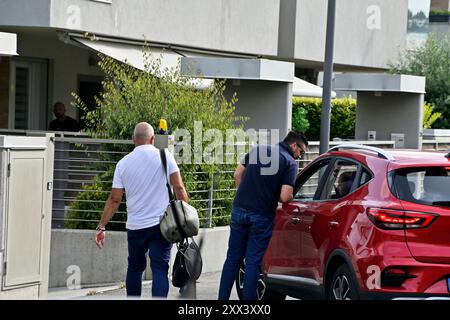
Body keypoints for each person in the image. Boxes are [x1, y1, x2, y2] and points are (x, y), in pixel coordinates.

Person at [95, 122, 189, 298]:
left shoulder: (123, 164)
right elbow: (179, 189)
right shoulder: (165, 156)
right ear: (152, 139)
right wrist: (185, 217)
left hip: (135, 227)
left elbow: (115, 199)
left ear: (133, 140)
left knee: (135, 268)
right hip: (161, 226)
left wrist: (102, 226)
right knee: (160, 269)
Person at [218, 130, 308, 300]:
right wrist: (291, 197)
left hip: (239, 209)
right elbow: (284, 196)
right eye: (301, 151)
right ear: (293, 145)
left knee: (232, 258)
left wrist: (245, 195)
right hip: (262, 215)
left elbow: (237, 174)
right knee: (253, 261)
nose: (300, 156)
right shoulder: (289, 162)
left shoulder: (258, 150)